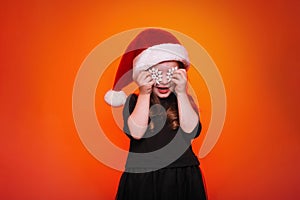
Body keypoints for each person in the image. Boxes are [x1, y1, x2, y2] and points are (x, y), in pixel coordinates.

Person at [104, 28, 207, 200]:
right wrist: (144, 93)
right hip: (142, 177)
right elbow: (136, 133)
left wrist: (182, 93)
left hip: (181, 176)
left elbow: (191, 132)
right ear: (143, 73)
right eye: (157, 73)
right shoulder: (134, 101)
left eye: (172, 73)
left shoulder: (184, 101)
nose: (165, 80)